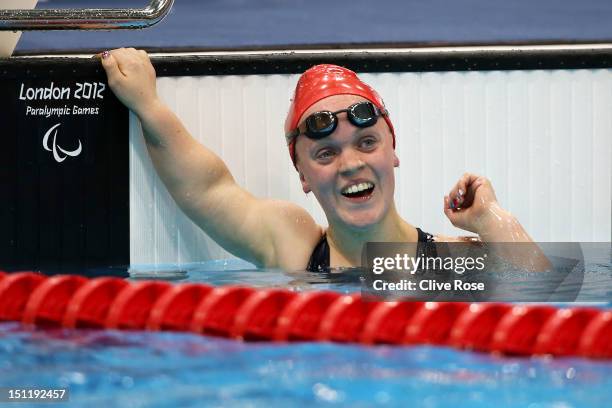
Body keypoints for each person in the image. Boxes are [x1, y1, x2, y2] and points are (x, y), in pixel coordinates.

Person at [99, 48, 549, 272]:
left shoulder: (448, 261)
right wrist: (149, 105)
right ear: (304, 177)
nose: (350, 163)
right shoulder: (292, 246)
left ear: (394, 153)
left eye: (367, 143)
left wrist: (491, 220)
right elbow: (207, 189)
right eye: (326, 153)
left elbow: (547, 294)